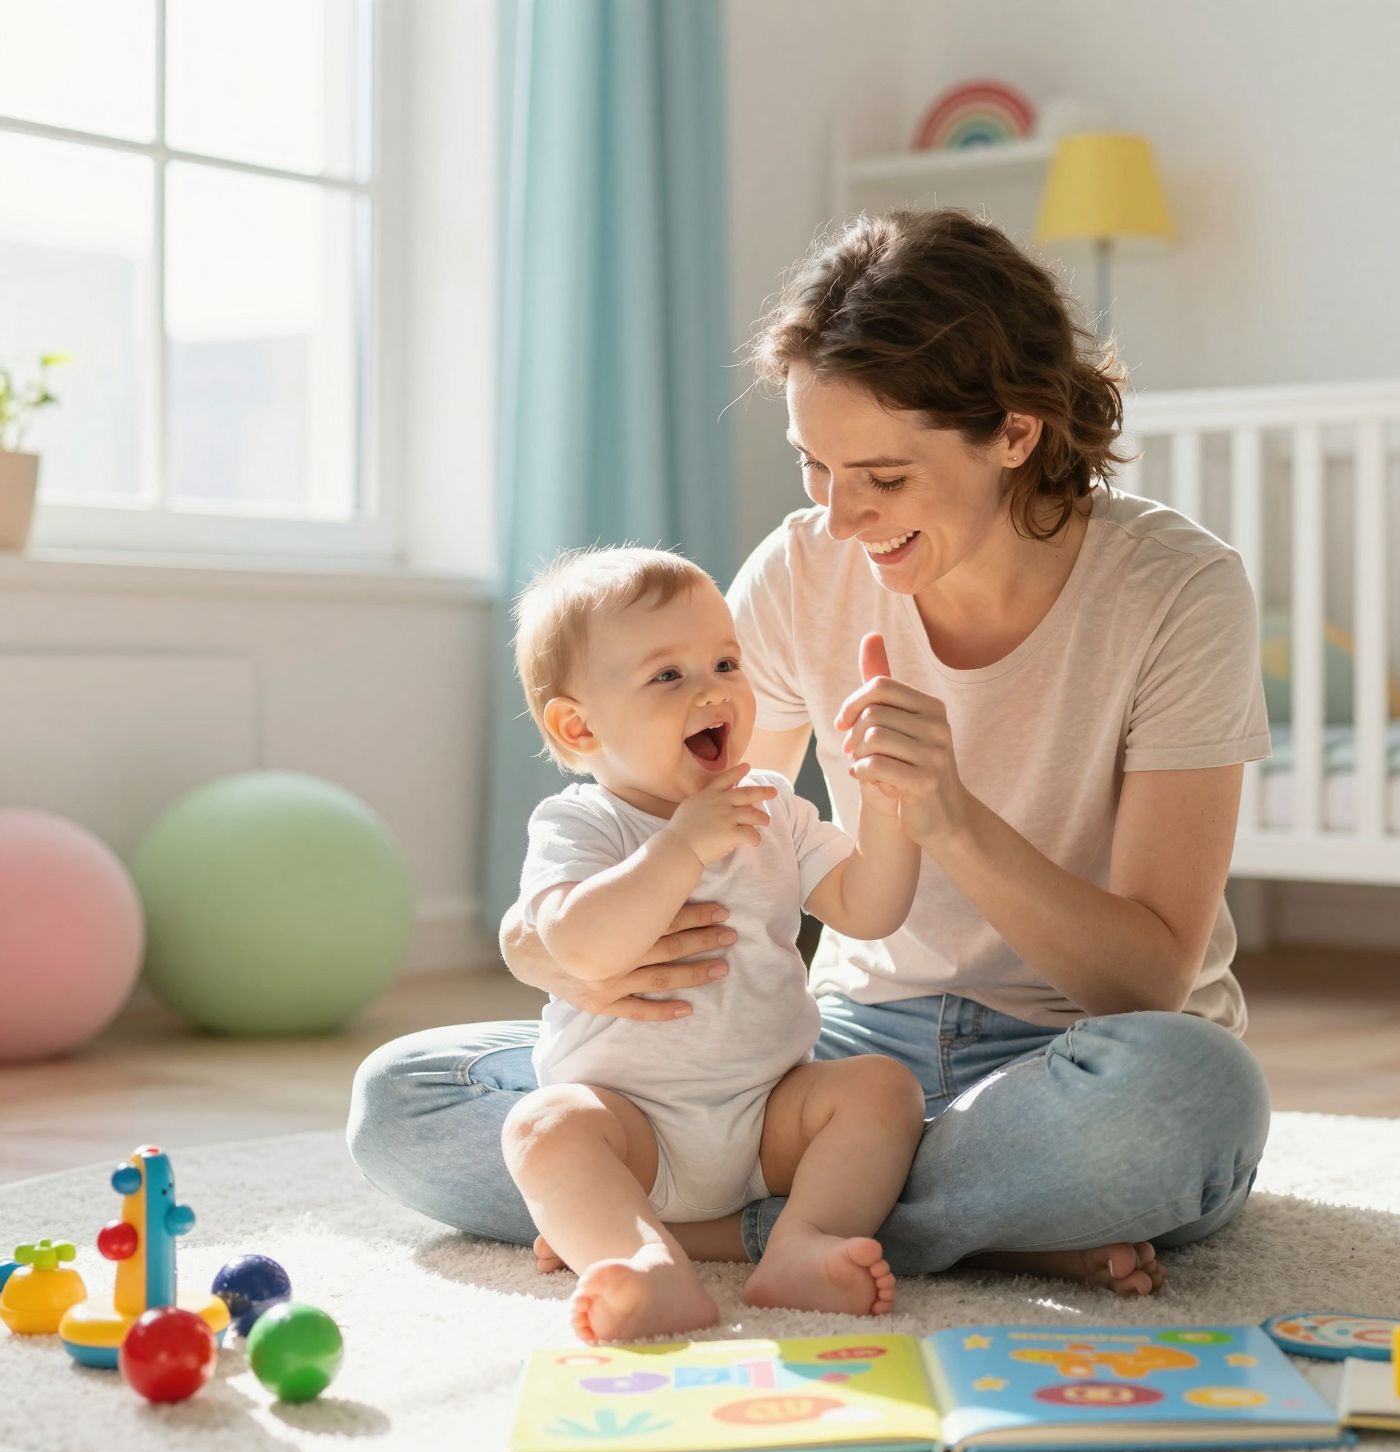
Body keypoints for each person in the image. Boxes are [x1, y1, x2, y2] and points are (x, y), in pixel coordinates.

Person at [348, 206, 1273, 1297]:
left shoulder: (1176, 591)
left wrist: (947, 817)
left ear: (1016, 434)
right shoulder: (802, 568)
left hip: (1070, 1058)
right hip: (831, 1056)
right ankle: (932, 1225)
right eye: (813, 467)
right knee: (405, 1100)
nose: (838, 520)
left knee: (1187, 1100)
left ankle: (718, 1229)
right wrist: (545, 944)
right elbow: (701, 807)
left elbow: (1147, 978)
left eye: (882, 478)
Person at [501, 547, 925, 1342]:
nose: (712, 690)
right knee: (541, 1129)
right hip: (632, 1129)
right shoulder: (581, 824)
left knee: (883, 1091)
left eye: (726, 663)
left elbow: (870, 910)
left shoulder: (773, 806)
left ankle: (802, 1241)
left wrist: (888, 802)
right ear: (579, 726)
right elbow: (579, 946)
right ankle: (645, 1261)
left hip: (770, 1115)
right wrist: (680, 847)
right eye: (668, 675)